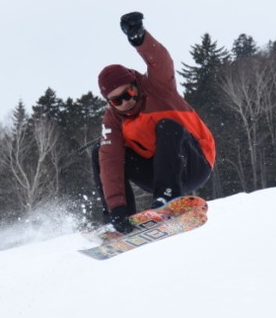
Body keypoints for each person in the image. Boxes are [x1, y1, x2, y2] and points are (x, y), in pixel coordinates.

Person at [92, 12, 217, 233]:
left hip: (194, 161)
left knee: (167, 127)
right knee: (100, 151)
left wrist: (139, 38)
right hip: (157, 170)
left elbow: (161, 61)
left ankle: (167, 198)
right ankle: (120, 218)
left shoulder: (157, 87)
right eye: (116, 100)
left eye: (128, 93)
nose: (125, 102)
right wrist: (117, 207)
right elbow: (111, 161)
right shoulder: (113, 119)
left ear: (135, 84)